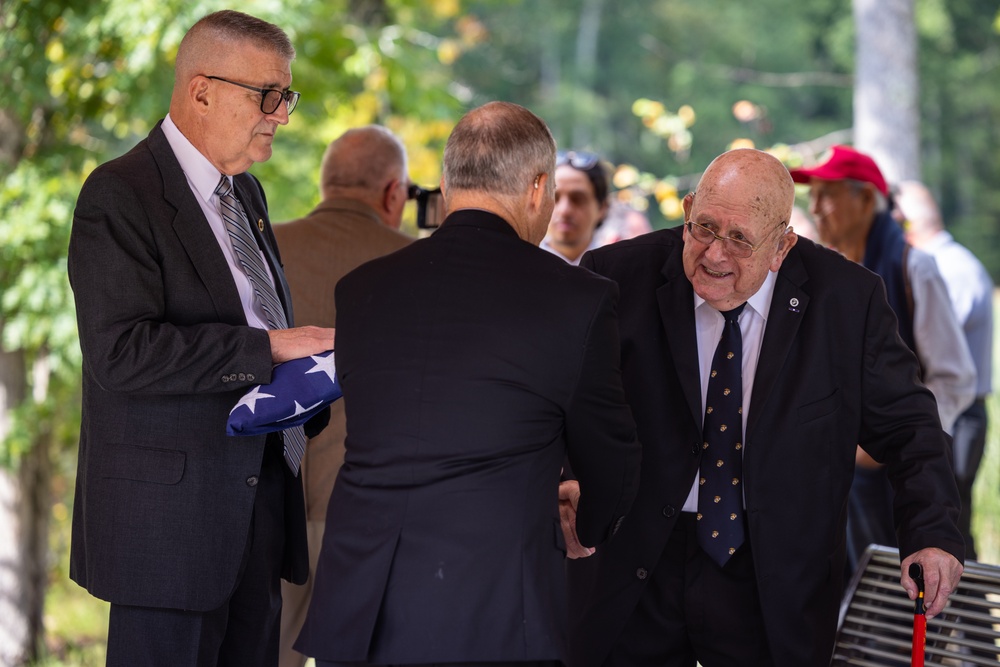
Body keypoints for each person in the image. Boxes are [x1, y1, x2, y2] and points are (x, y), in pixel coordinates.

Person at [564, 148, 964, 667]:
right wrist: (566, 477)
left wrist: (931, 534)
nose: (714, 255)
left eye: (740, 240)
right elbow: (566, 400)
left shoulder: (846, 300)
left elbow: (910, 428)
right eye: (703, 228)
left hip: (773, 570)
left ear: (782, 245)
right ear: (686, 210)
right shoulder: (618, 275)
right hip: (637, 560)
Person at [295, 101, 641, 667]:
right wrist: (590, 525)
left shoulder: (362, 289)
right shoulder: (576, 299)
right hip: (492, 607)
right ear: (536, 189)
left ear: (449, 185)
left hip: (362, 600)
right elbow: (612, 453)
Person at [67, 11, 334, 667]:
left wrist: (314, 379)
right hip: (168, 533)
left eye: (287, 96)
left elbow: (255, 322)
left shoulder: (248, 193)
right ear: (201, 90)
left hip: (258, 513)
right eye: (267, 95)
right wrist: (274, 349)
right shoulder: (119, 193)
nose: (281, 114)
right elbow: (120, 353)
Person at [789, 146, 975, 573]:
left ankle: (966, 640)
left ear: (866, 200)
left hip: (925, 444)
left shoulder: (913, 266)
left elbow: (953, 377)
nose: (815, 209)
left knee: (935, 558)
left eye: (828, 194)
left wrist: (907, 438)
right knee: (870, 570)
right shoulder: (829, 272)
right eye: (812, 196)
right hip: (859, 457)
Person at [273, 125, 414, 667]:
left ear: (324, 183)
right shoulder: (417, 264)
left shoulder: (266, 251)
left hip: (276, 500)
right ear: (393, 194)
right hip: (375, 512)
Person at [896, 179, 994, 561]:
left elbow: (936, 342)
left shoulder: (948, 266)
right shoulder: (952, 262)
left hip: (959, 412)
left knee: (947, 524)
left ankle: (971, 617)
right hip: (955, 408)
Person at [541, 150, 610, 264]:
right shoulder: (519, 267)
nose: (564, 211)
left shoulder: (617, 271)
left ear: (602, 208)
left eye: (577, 199)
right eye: (554, 198)